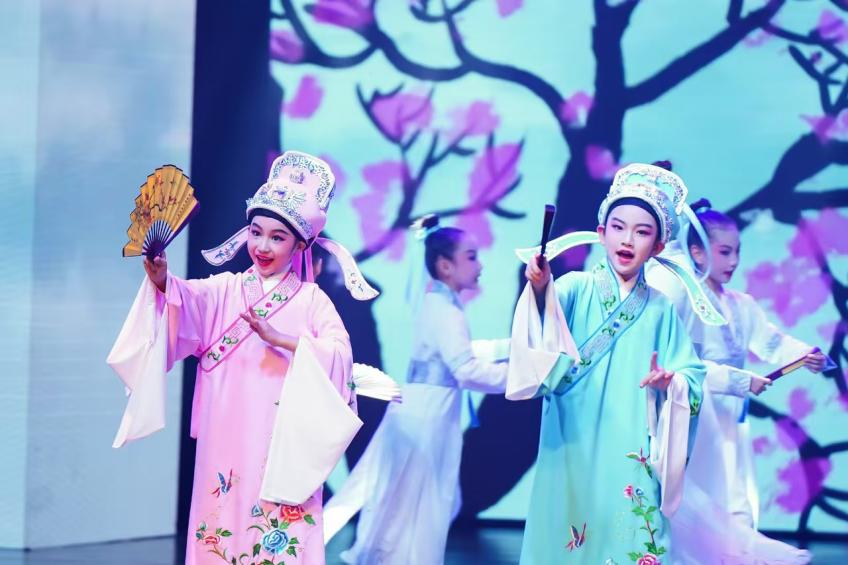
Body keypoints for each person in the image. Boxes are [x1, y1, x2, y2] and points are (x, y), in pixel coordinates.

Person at [108, 151, 377, 564]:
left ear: (300, 244)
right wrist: (162, 281)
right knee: (222, 515)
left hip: (282, 437)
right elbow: (185, 301)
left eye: (277, 237)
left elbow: (340, 355)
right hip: (226, 428)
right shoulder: (225, 289)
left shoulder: (312, 300)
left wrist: (283, 339)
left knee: (276, 521)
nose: (262, 246)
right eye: (256, 232)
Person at [510, 163, 707, 564]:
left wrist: (672, 382)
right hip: (571, 435)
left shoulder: (661, 310)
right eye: (618, 227)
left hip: (630, 438)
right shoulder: (573, 288)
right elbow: (542, 334)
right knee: (568, 531)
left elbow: (692, 373)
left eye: (642, 232)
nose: (627, 239)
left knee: (630, 529)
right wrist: (541, 288)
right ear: (601, 233)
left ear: (658, 247)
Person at [323, 217, 508, 565]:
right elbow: (465, 369)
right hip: (427, 413)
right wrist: (521, 376)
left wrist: (509, 348)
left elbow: (460, 352)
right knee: (423, 499)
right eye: (471, 256)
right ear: (445, 265)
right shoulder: (445, 310)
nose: (479, 264)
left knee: (410, 498)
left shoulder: (439, 303)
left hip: (426, 407)